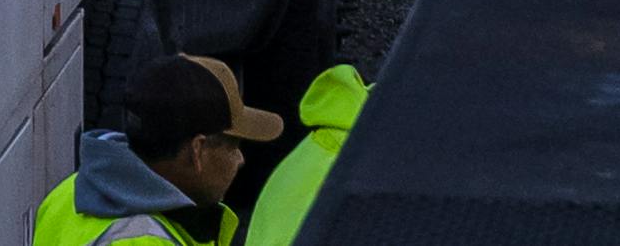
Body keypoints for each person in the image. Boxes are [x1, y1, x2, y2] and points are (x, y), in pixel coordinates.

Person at [43, 55, 373, 238]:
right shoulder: (144, 239)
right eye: (234, 146)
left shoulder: (68, 194)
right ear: (197, 151)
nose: (241, 160)